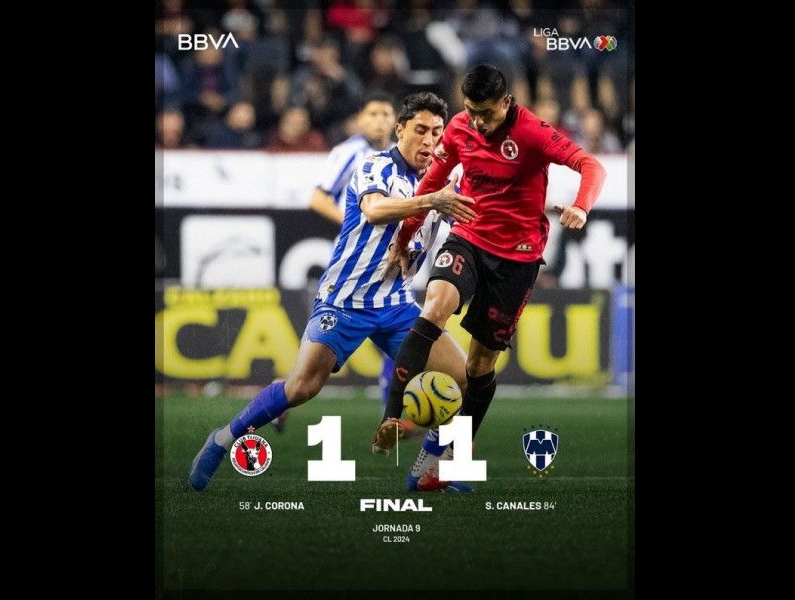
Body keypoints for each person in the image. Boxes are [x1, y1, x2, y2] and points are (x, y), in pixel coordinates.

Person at [189, 91, 477, 492]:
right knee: (302, 387)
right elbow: (374, 210)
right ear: (400, 130)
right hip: (345, 300)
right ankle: (223, 439)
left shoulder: (443, 180)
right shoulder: (375, 166)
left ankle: (430, 469)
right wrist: (432, 201)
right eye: (420, 130)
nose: (429, 141)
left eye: (436, 132)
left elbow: (470, 223)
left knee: (466, 378)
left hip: (396, 304)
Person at [374, 65, 606, 490]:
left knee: (479, 367)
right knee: (434, 307)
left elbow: (591, 166)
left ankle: (450, 456)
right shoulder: (460, 129)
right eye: (471, 111)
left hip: (517, 257)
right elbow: (431, 185)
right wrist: (404, 238)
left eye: (486, 113)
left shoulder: (533, 132)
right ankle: (391, 416)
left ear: (506, 102)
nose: (478, 122)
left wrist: (581, 206)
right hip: (467, 238)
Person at [308, 90, 399, 422]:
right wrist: (355, 221)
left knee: (399, 340)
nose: (380, 121)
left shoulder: (398, 155)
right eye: (373, 114)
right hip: (353, 264)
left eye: (386, 114)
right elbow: (318, 198)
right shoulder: (349, 152)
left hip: (389, 261)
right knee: (318, 359)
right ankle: (281, 393)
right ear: (360, 119)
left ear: (396, 121)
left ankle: (392, 418)